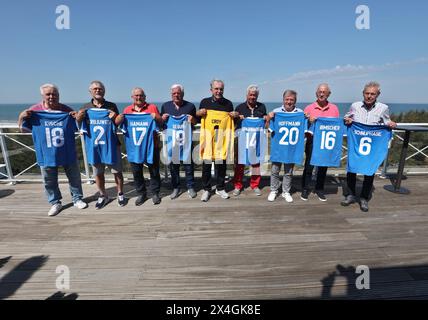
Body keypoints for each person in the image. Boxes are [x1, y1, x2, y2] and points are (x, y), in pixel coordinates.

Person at [18, 84, 88, 216]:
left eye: (54, 94)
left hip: (67, 150)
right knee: (49, 180)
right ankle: (55, 202)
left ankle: (77, 199)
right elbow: (23, 130)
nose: (51, 97)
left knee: (74, 177)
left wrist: (77, 118)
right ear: (43, 96)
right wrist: (21, 117)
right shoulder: (34, 111)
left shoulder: (66, 111)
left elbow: (78, 128)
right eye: (48, 94)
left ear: (59, 95)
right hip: (46, 153)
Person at [342, 81, 396, 212]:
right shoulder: (355, 106)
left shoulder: (383, 108)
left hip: (372, 145)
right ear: (363, 93)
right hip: (357, 143)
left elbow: (386, 121)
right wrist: (347, 120)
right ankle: (350, 195)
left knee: (369, 171)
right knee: (352, 169)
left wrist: (390, 124)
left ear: (378, 94)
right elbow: (347, 117)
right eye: (367, 93)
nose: (369, 96)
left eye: (373, 94)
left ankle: (364, 198)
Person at [76, 81, 125, 209]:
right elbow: (80, 126)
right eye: (95, 89)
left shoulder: (111, 106)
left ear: (104, 91)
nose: (98, 90)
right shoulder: (85, 108)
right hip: (94, 146)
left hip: (112, 145)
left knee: (117, 172)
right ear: (90, 91)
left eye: (100, 89)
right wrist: (78, 118)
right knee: (98, 173)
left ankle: (120, 193)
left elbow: (116, 124)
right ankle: (103, 195)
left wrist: (115, 117)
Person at [116, 87, 163, 205]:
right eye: (136, 95)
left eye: (141, 95)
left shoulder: (152, 108)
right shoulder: (127, 111)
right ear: (132, 97)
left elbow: (161, 123)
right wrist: (119, 119)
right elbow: (118, 125)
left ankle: (155, 193)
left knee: (154, 171)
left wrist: (156, 117)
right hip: (134, 148)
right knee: (137, 172)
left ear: (145, 97)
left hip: (151, 146)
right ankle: (141, 193)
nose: (138, 97)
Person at [196, 79, 239, 202]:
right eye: (216, 89)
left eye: (221, 89)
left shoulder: (228, 104)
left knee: (221, 166)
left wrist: (234, 116)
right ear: (211, 90)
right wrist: (199, 113)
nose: (219, 91)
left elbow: (232, 123)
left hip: (222, 140)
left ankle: (220, 188)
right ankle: (206, 189)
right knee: (207, 166)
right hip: (208, 139)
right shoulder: (204, 102)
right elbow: (198, 119)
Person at [301, 84, 340, 201]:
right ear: (316, 93)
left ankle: (319, 189)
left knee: (323, 166)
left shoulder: (334, 108)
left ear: (328, 94)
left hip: (326, 143)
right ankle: (305, 188)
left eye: (324, 92)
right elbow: (303, 127)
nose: (322, 94)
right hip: (312, 142)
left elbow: (336, 126)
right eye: (320, 92)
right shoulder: (308, 108)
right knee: (309, 166)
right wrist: (308, 120)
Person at [266, 90, 303, 203]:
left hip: (292, 148)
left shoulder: (300, 113)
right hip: (278, 148)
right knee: (274, 170)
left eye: (291, 99)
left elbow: (306, 128)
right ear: (283, 100)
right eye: (287, 99)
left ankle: (286, 191)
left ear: (295, 101)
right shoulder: (276, 112)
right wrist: (268, 117)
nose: (289, 101)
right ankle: (274, 190)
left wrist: (308, 118)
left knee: (288, 172)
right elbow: (267, 127)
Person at [161, 84, 197, 199]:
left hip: (186, 142)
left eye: (178, 93)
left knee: (188, 166)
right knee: (173, 167)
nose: (176, 95)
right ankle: (176, 188)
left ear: (182, 94)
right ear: (171, 94)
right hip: (172, 143)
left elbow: (195, 123)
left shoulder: (190, 106)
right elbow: (162, 124)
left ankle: (190, 186)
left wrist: (193, 120)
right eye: (174, 93)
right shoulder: (165, 106)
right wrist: (163, 119)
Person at [232, 85, 267, 196]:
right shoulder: (239, 107)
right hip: (243, 140)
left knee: (256, 163)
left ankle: (255, 184)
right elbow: (234, 124)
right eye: (250, 94)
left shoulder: (262, 107)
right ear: (246, 95)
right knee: (240, 163)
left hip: (256, 140)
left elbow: (265, 123)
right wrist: (236, 117)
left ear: (257, 96)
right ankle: (238, 185)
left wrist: (266, 118)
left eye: (254, 95)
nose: (252, 97)